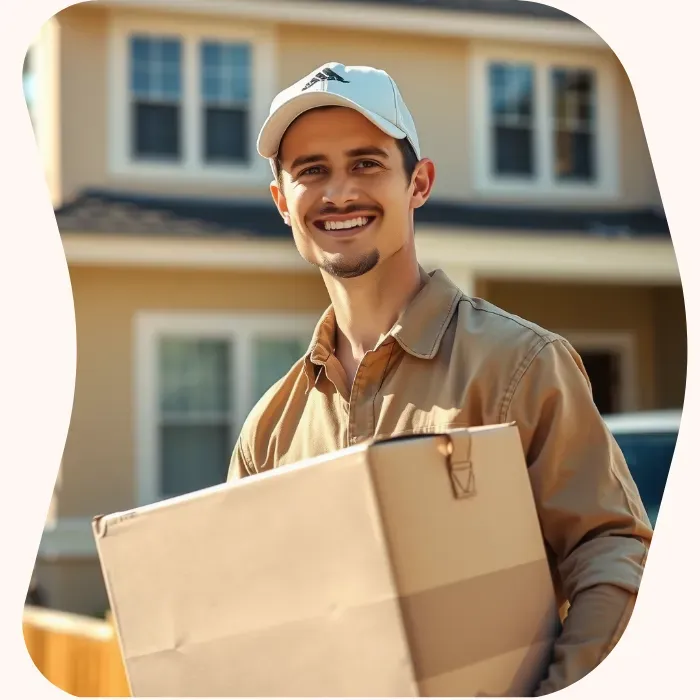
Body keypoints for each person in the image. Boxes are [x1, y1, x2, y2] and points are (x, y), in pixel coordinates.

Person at [227, 62, 653, 696]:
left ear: (418, 183)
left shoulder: (521, 365)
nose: (339, 192)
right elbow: (248, 614)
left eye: (366, 163)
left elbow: (612, 551)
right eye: (311, 170)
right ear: (282, 201)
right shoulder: (269, 429)